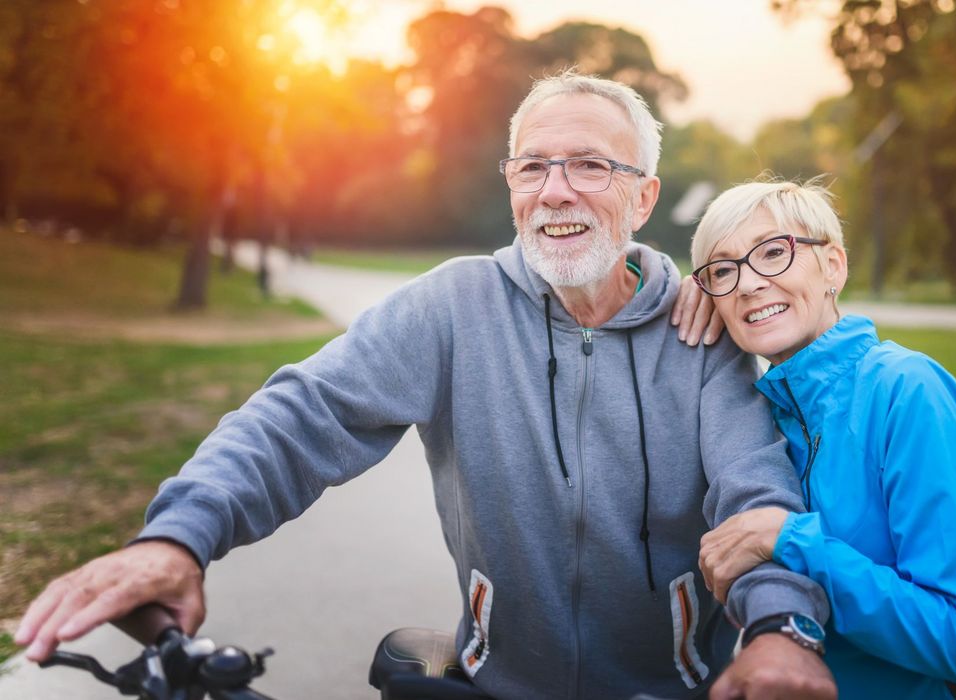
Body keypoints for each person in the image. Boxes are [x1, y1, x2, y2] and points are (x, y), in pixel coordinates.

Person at [15, 73, 836, 700]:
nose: (557, 190)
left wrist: (781, 628)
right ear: (512, 186)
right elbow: (303, 416)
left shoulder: (700, 331)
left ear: (643, 196)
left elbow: (753, 500)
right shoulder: (452, 307)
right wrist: (177, 536)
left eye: (590, 165)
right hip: (493, 684)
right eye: (534, 167)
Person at [686, 177, 956, 699]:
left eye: (773, 253)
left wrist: (791, 541)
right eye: (724, 270)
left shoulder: (907, 390)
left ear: (833, 267)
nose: (748, 284)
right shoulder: (758, 414)